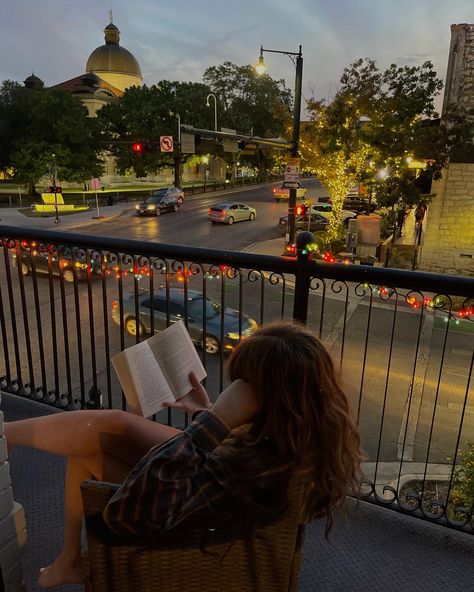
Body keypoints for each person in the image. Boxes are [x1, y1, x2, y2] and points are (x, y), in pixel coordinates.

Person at [5, 321, 363, 589]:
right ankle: (69, 558)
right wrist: (206, 414)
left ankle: (5, 439)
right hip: (220, 523)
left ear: (262, 403)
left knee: (97, 439)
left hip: (178, 542)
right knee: (92, 444)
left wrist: (214, 422)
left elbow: (125, 514)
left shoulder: (238, 471)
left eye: (244, 387)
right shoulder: (301, 448)